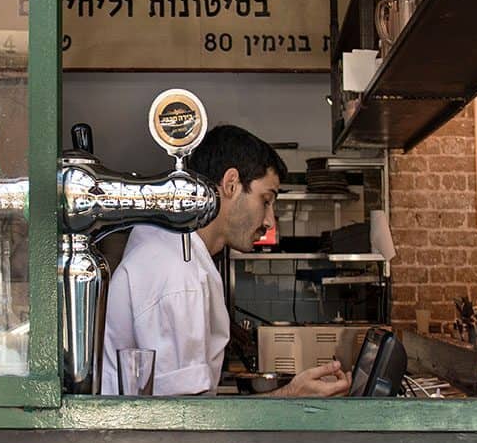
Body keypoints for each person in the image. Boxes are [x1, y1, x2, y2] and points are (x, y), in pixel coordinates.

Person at [101, 125, 350, 397]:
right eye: (266, 200)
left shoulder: (173, 250)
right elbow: (186, 422)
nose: (269, 221)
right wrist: (291, 395)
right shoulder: (179, 271)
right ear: (231, 184)